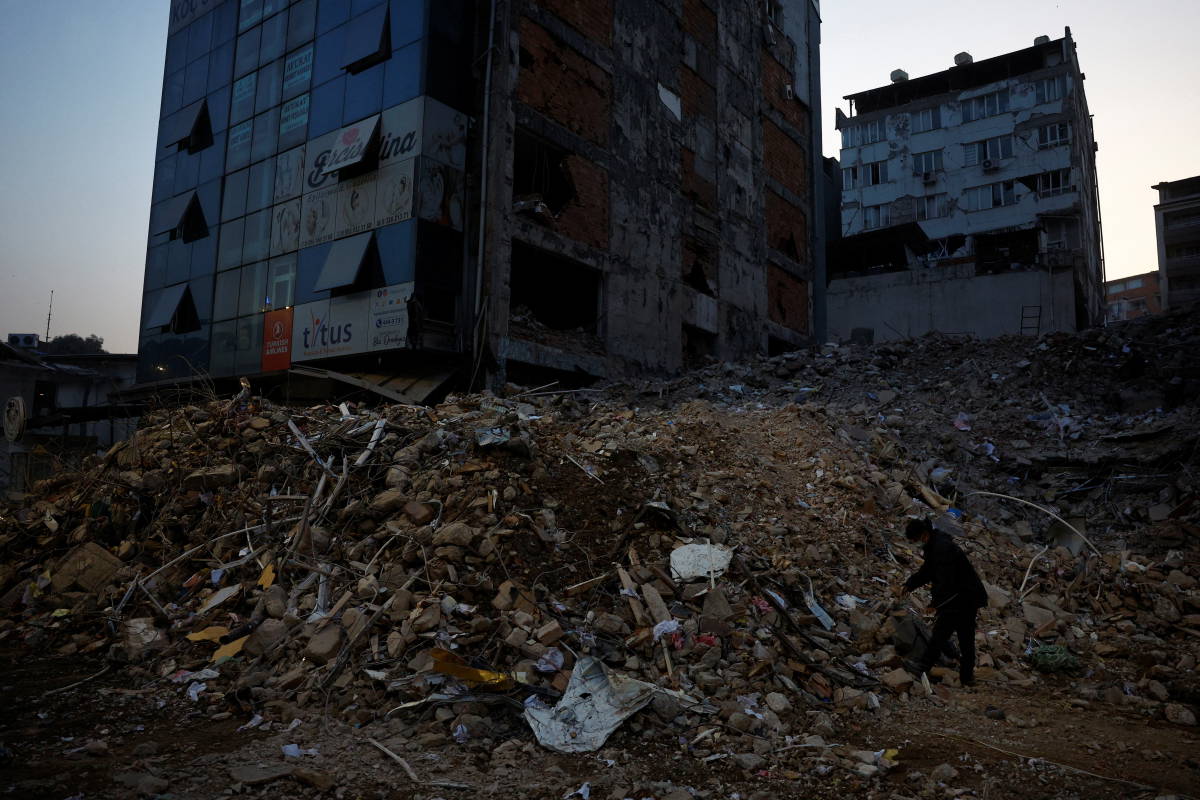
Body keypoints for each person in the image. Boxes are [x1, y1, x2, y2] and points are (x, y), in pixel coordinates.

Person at [896, 517, 988, 686]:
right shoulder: (934, 546)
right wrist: (910, 585)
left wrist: (935, 604)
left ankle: (924, 667)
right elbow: (927, 571)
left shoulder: (942, 548)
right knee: (962, 636)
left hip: (962, 597)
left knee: (944, 634)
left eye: (915, 540)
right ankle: (967, 677)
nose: (915, 544)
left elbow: (946, 580)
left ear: (923, 535)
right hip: (961, 597)